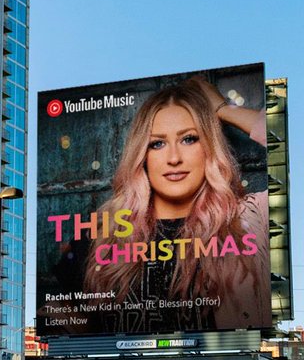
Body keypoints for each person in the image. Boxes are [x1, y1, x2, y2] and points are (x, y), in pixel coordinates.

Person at [81, 75, 269, 333]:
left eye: (189, 139)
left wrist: (224, 110)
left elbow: (297, 143)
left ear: (209, 148)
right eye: (157, 144)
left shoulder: (249, 219)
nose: (173, 158)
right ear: (142, 155)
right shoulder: (111, 234)